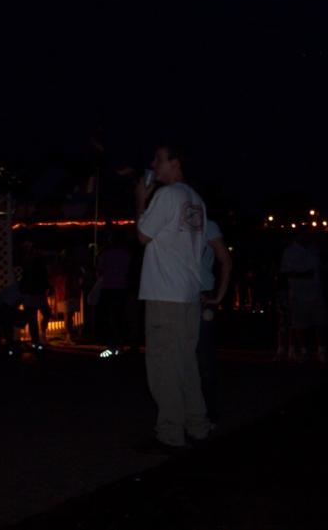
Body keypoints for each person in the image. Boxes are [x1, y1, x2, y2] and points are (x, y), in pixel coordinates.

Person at [134, 144, 211, 452]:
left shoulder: (167, 195)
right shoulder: (196, 200)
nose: (153, 163)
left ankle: (170, 432)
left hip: (165, 294)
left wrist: (141, 198)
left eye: (159, 159)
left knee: (164, 365)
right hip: (188, 294)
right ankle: (197, 425)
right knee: (186, 363)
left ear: (175, 163)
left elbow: (143, 235)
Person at [197, 218, 233, 425]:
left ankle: (209, 411)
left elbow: (226, 260)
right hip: (180, 297)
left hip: (202, 295)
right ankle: (190, 410)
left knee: (204, 357)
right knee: (183, 357)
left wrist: (218, 297)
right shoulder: (175, 222)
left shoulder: (207, 225)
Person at [280, 229, 328, 363]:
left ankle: (321, 351)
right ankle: (304, 351)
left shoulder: (313, 250)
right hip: (298, 294)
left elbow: (319, 269)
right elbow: (285, 273)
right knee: (300, 324)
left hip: (316, 293)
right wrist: (303, 275)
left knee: (320, 322)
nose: (307, 236)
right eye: (304, 234)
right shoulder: (290, 251)